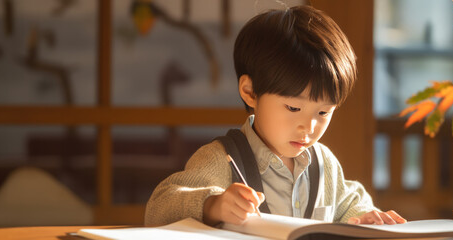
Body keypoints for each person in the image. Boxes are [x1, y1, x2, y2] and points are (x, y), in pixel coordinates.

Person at [145, 5, 406, 227]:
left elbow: (350, 202)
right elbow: (159, 207)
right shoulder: (222, 158)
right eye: (293, 108)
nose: (309, 126)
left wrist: (365, 218)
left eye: (324, 112)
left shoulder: (324, 163)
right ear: (250, 92)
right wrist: (213, 204)